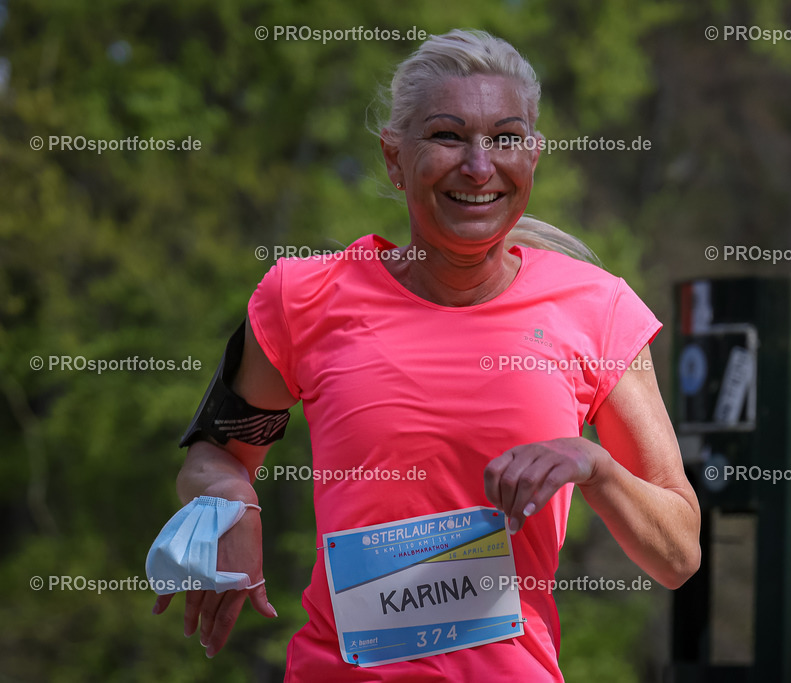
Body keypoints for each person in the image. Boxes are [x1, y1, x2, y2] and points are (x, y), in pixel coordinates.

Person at [151, 28, 700, 682]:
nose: (478, 165)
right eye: (447, 136)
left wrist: (594, 464)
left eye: (505, 138)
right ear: (392, 158)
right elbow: (214, 454)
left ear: (534, 154)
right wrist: (229, 503)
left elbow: (679, 552)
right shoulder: (304, 297)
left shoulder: (596, 309)